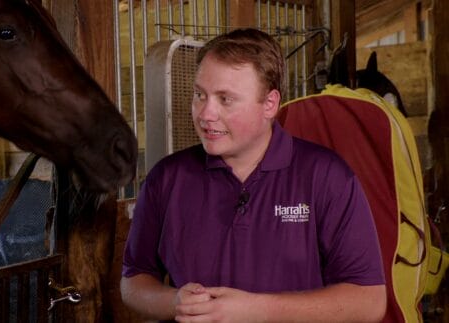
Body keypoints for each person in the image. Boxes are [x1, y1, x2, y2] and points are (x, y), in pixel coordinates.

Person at [120, 28, 387, 322]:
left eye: (225, 99)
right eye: (200, 95)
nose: (205, 114)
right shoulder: (166, 178)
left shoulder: (327, 176)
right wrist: (175, 302)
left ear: (270, 104)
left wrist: (255, 310)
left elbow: (369, 301)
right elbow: (133, 281)